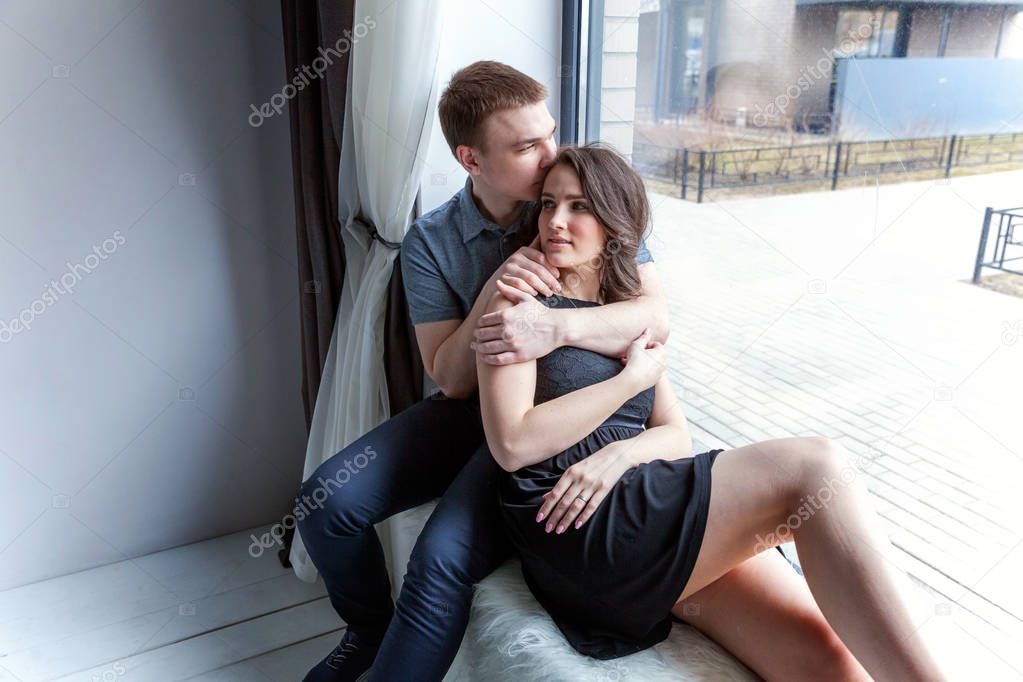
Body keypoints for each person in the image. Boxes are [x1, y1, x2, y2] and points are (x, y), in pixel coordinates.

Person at [476, 144, 948, 682]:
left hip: (638, 500)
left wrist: (617, 455)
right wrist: (631, 380)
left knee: (827, 661)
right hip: (572, 523)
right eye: (549, 204)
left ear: (614, 222)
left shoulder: (628, 309)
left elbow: (676, 434)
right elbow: (512, 443)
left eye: (580, 207)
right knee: (817, 469)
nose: (557, 221)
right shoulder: (517, 304)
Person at [295, 61, 668, 682]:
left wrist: (557, 328)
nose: (552, 155)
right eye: (527, 146)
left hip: (548, 413)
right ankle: (367, 628)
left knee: (441, 557)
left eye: (549, 132)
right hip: (472, 410)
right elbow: (448, 377)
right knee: (323, 503)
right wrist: (495, 288)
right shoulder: (431, 241)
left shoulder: (576, 201)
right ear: (471, 160)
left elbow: (654, 314)